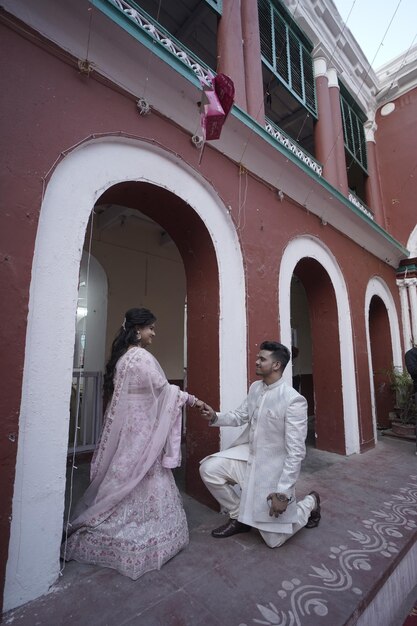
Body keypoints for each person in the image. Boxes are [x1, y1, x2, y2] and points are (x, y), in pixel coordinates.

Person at [63, 307, 203, 578]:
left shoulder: (123, 359)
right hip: (143, 432)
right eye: (151, 327)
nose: (153, 333)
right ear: (138, 329)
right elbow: (165, 392)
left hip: (128, 430)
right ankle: (146, 536)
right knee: (145, 473)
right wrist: (193, 401)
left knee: (124, 473)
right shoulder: (142, 358)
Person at [199, 341, 321, 548]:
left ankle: (311, 503)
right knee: (209, 469)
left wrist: (282, 493)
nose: (256, 361)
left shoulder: (293, 400)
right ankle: (239, 517)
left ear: (276, 365)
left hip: (271, 472)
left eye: (262, 359)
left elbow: (296, 453)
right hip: (247, 460)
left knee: (274, 541)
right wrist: (215, 416)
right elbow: (240, 415)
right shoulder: (255, 388)